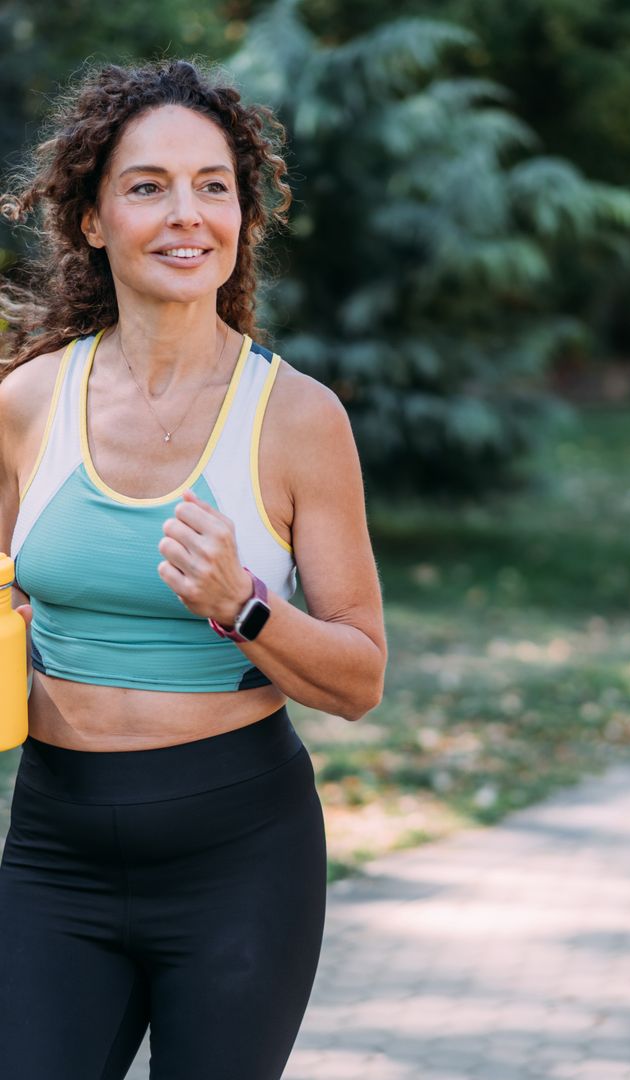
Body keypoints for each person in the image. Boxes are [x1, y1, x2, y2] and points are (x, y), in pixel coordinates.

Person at [0, 60, 386, 1079]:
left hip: (239, 856)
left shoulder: (297, 418)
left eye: (213, 186)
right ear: (92, 220)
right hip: (54, 844)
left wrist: (244, 606)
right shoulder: (27, 404)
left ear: (242, 217)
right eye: (148, 186)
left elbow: (359, 679)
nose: (187, 214)